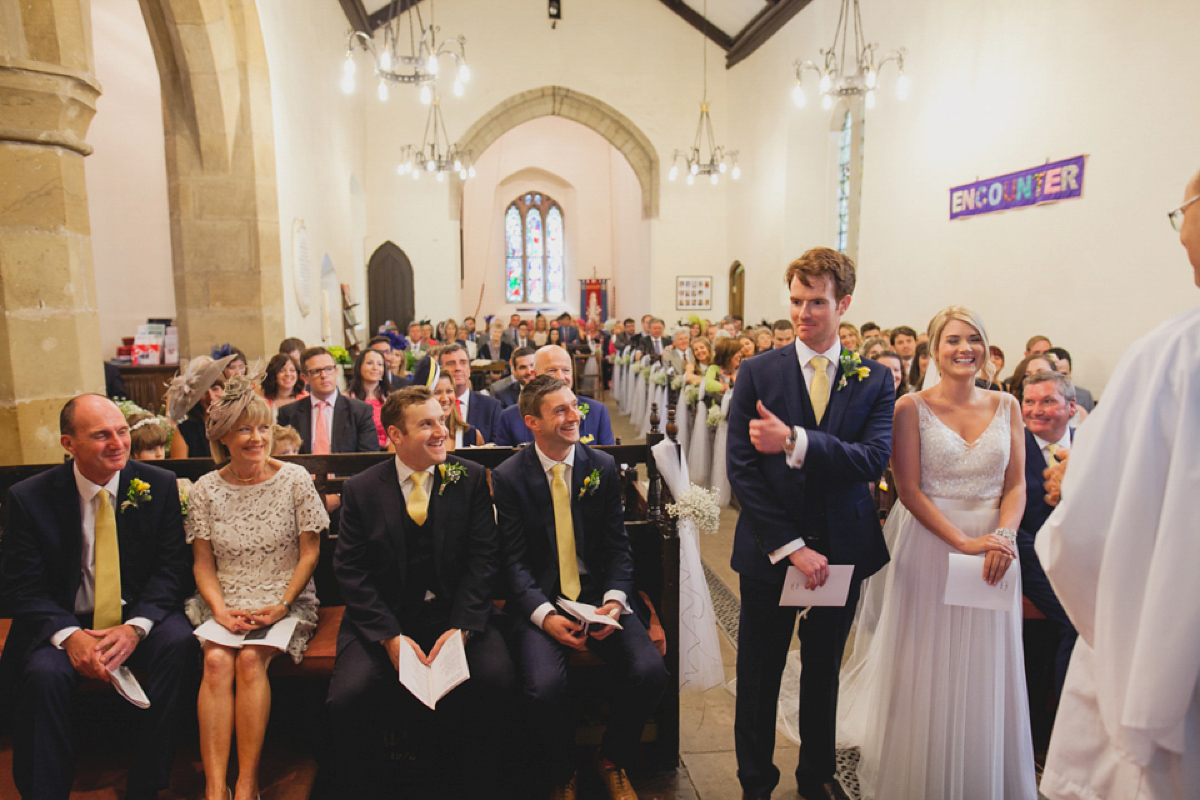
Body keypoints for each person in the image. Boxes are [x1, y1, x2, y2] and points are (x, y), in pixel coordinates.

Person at [1034, 170, 1200, 800]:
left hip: (1172, 672)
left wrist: (1079, 481)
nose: (1180, 233)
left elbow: (1086, 536)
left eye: (1180, 212)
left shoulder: (1176, 354)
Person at [837, 306, 1035, 800]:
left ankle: (979, 773)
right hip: (932, 545)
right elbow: (908, 490)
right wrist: (963, 542)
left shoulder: (1006, 406)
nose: (964, 348)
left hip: (995, 548)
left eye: (974, 338)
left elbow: (1016, 486)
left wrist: (1004, 537)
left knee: (985, 662)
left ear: (986, 348)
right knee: (927, 663)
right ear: (933, 349)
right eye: (952, 340)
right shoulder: (910, 408)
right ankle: (924, 775)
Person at [727, 247, 895, 800]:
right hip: (772, 549)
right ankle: (755, 780)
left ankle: (816, 774)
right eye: (796, 301)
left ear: (844, 302)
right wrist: (791, 546)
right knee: (758, 671)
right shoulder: (758, 372)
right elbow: (743, 471)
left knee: (823, 670)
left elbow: (870, 460)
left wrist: (796, 442)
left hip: (842, 545)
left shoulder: (872, 379)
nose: (803, 313)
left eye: (817, 302)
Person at [0, 394, 198, 800]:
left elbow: (171, 569)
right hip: (62, 622)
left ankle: (148, 781)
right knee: (42, 675)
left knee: (178, 644)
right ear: (68, 444)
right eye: (101, 435)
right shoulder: (29, 498)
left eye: (122, 432)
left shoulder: (156, 485)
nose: (118, 443)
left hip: (136, 616)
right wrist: (69, 635)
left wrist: (135, 628)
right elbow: (21, 585)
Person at [327, 387, 517, 797]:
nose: (440, 432)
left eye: (441, 421)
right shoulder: (362, 488)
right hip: (385, 619)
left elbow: (484, 559)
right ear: (395, 435)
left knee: (496, 679)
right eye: (426, 424)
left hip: (455, 615)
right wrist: (390, 637)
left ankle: (475, 786)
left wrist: (463, 628)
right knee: (348, 696)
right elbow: (351, 570)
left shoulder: (466, 478)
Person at [493, 375, 667, 800]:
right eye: (561, 410)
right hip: (542, 600)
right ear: (531, 422)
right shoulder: (510, 477)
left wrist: (612, 601)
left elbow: (618, 549)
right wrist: (545, 617)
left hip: (596, 595)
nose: (576, 416)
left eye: (576, 406)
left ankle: (612, 759)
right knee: (543, 687)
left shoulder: (600, 467)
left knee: (649, 672)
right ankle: (562, 770)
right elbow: (513, 562)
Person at [186, 378, 327, 800]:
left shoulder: (295, 479)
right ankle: (215, 787)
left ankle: (247, 783)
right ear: (223, 435)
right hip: (225, 600)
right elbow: (203, 564)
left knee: (249, 660)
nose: (257, 438)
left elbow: (309, 554)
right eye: (245, 429)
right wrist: (219, 609)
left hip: (285, 598)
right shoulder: (205, 489)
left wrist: (284, 603)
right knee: (216, 661)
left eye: (263, 428)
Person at [1017, 370, 1077, 700]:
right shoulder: (1012, 449)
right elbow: (1008, 521)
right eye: (1030, 401)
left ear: (1071, 407)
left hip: (1084, 560)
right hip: (1032, 561)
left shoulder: (1091, 448)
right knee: (1079, 620)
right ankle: (1063, 725)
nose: (1036, 410)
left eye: (1048, 401)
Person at [493, 345, 615, 447]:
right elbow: (501, 469)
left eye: (566, 370)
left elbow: (611, 465)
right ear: (534, 376)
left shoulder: (597, 412)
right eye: (552, 370)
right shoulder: (510, 418)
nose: (561, 377)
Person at [276, 347, 380, 455]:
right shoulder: (288, 414)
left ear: (336, 372)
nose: (324, 375)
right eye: (316, 371)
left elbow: (369, 458)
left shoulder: (360, 411)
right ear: (305, 378)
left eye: (328, 369)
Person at [165, 354, 235, 458]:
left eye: (215, 389)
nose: (211, 397)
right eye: (203, 392)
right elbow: (180, 469)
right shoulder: (184, 431)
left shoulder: (234, 424)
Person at [435, 343, 503, 443]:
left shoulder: (491, 407)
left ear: (469, 369)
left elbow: (496, 449)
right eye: (451, 363)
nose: (458, 368)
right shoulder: (432, 407)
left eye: (463, 362)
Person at [345, 348, 392, 448]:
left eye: (380, 364)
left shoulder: (390, 398)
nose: (375, 368)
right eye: (370, 363)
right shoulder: (347, 399)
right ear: (359, 367)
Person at [433, 372, 484, 449]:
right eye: (437, 393)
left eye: (449, 391)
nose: (445, 399)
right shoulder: (421, 436)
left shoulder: (472, 435)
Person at [1045, 346, 1095, 412]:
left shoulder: (1084, 397)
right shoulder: (1034, 398)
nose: (1059, 380)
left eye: (1064, 375)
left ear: (1070, 372)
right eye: (1054, 375)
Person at [261, 352, 306, 420]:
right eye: (282, 370)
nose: (288, 374)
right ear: (273, 374)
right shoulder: (263, 403)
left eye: (292, 370)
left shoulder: (306, 399)